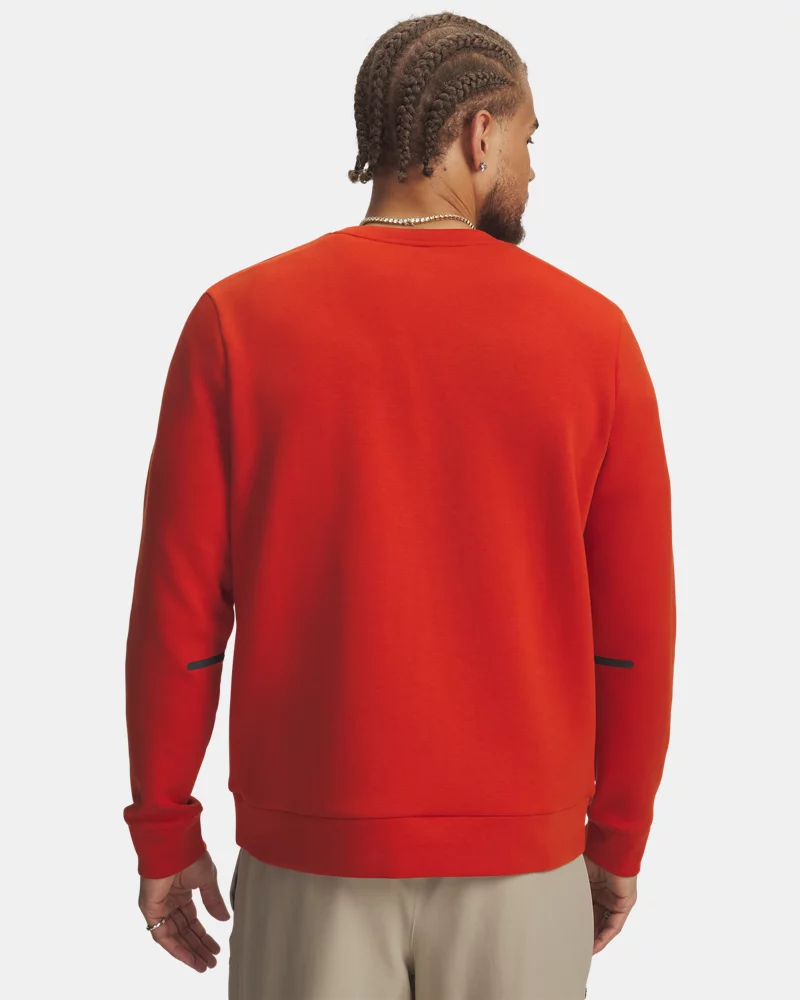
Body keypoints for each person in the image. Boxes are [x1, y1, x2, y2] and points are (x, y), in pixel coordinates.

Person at [123, 11, 676, 999]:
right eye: (530, 139)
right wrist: (616, 837)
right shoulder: (593, 338)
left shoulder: (236, 323)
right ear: (478, 135)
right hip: (522, 867)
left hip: (309, 858)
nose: (532, 168)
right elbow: (633, 634)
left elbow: (180, 613)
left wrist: (165, 829)